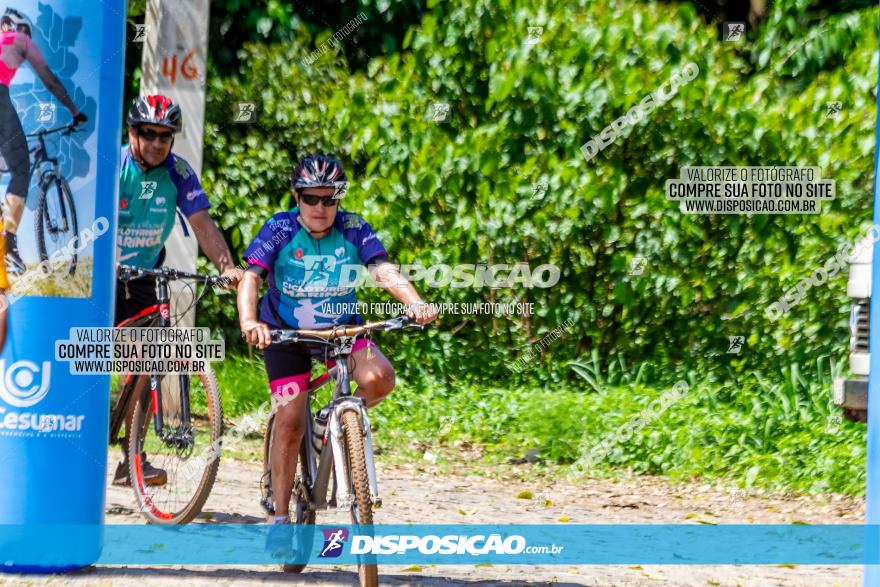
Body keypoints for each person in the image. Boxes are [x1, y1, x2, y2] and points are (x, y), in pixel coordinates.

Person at [237, 154, 438, 532]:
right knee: (290, 420)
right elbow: (251, 277)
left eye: (329, 199)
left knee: (380, 378)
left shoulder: (353, 228)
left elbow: (381, 268)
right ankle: (280, 517)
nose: (320, 207)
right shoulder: (279, 229)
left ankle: (329, 418)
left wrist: (415, 303)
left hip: (341, 331)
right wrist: (250, 321)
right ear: (296, 198)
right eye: (311, 198)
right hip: (286, 334)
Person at [112, 94, 242, 487]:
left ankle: (130, 459)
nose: (155, 143)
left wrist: (228, 268)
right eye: (147, 134)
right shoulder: (114, 166)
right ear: (132, 133)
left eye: (164, 136)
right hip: (101, 274)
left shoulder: (179, 172)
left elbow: (202, 224)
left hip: (146, 271)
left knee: (145, 359)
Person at [0, 8, 87, 274]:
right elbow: (49, 79)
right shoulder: (20, 40)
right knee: (21, 169)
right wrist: (74, 111)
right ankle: (8, 245)